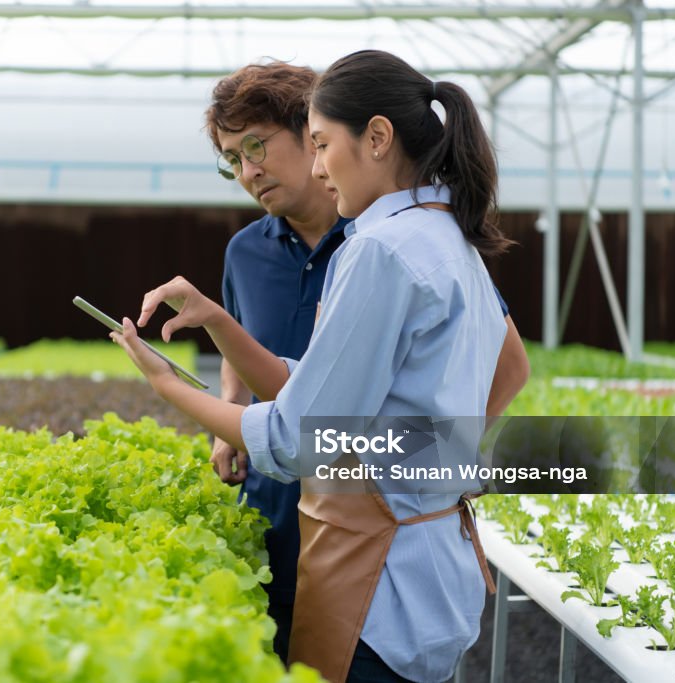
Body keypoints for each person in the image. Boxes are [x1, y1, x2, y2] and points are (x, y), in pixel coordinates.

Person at [201, 60, 530, 669]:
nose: (249, 171)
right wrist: (233, 411)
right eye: (231, 159)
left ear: (313, 133)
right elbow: (261, 369)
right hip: (281, 517)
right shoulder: (245, 252)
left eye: (258, 146)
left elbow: (507, 365)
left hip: (368, 535)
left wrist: (420, 460)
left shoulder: (380, 243)